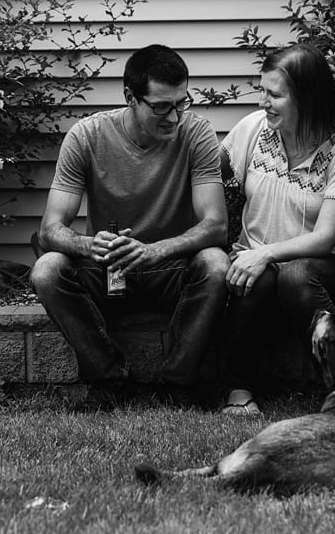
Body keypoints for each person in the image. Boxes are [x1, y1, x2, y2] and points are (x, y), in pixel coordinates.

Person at [30, 44, 230, 412]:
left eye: (181, 103)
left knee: (216, 263)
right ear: (130, 97)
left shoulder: (197, 134)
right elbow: (50, 230)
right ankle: (109, 380)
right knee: (47, 270)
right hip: (110, 269)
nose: (174, 117)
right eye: (161, 107)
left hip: (170, 269)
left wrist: (155, 250)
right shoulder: (86, 136)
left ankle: (179, 383)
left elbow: (216, 225)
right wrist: (89, 246)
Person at [218, 42, 335, 415]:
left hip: (325, 269)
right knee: (254, 276)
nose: (263, 102)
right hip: (259, 264)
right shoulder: (253, 130)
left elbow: (324, 240)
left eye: (274, 95)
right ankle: (238, 394)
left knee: (292, 275)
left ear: (307, 97)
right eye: (263, 91)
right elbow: (206, 173)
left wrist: (265, 253)